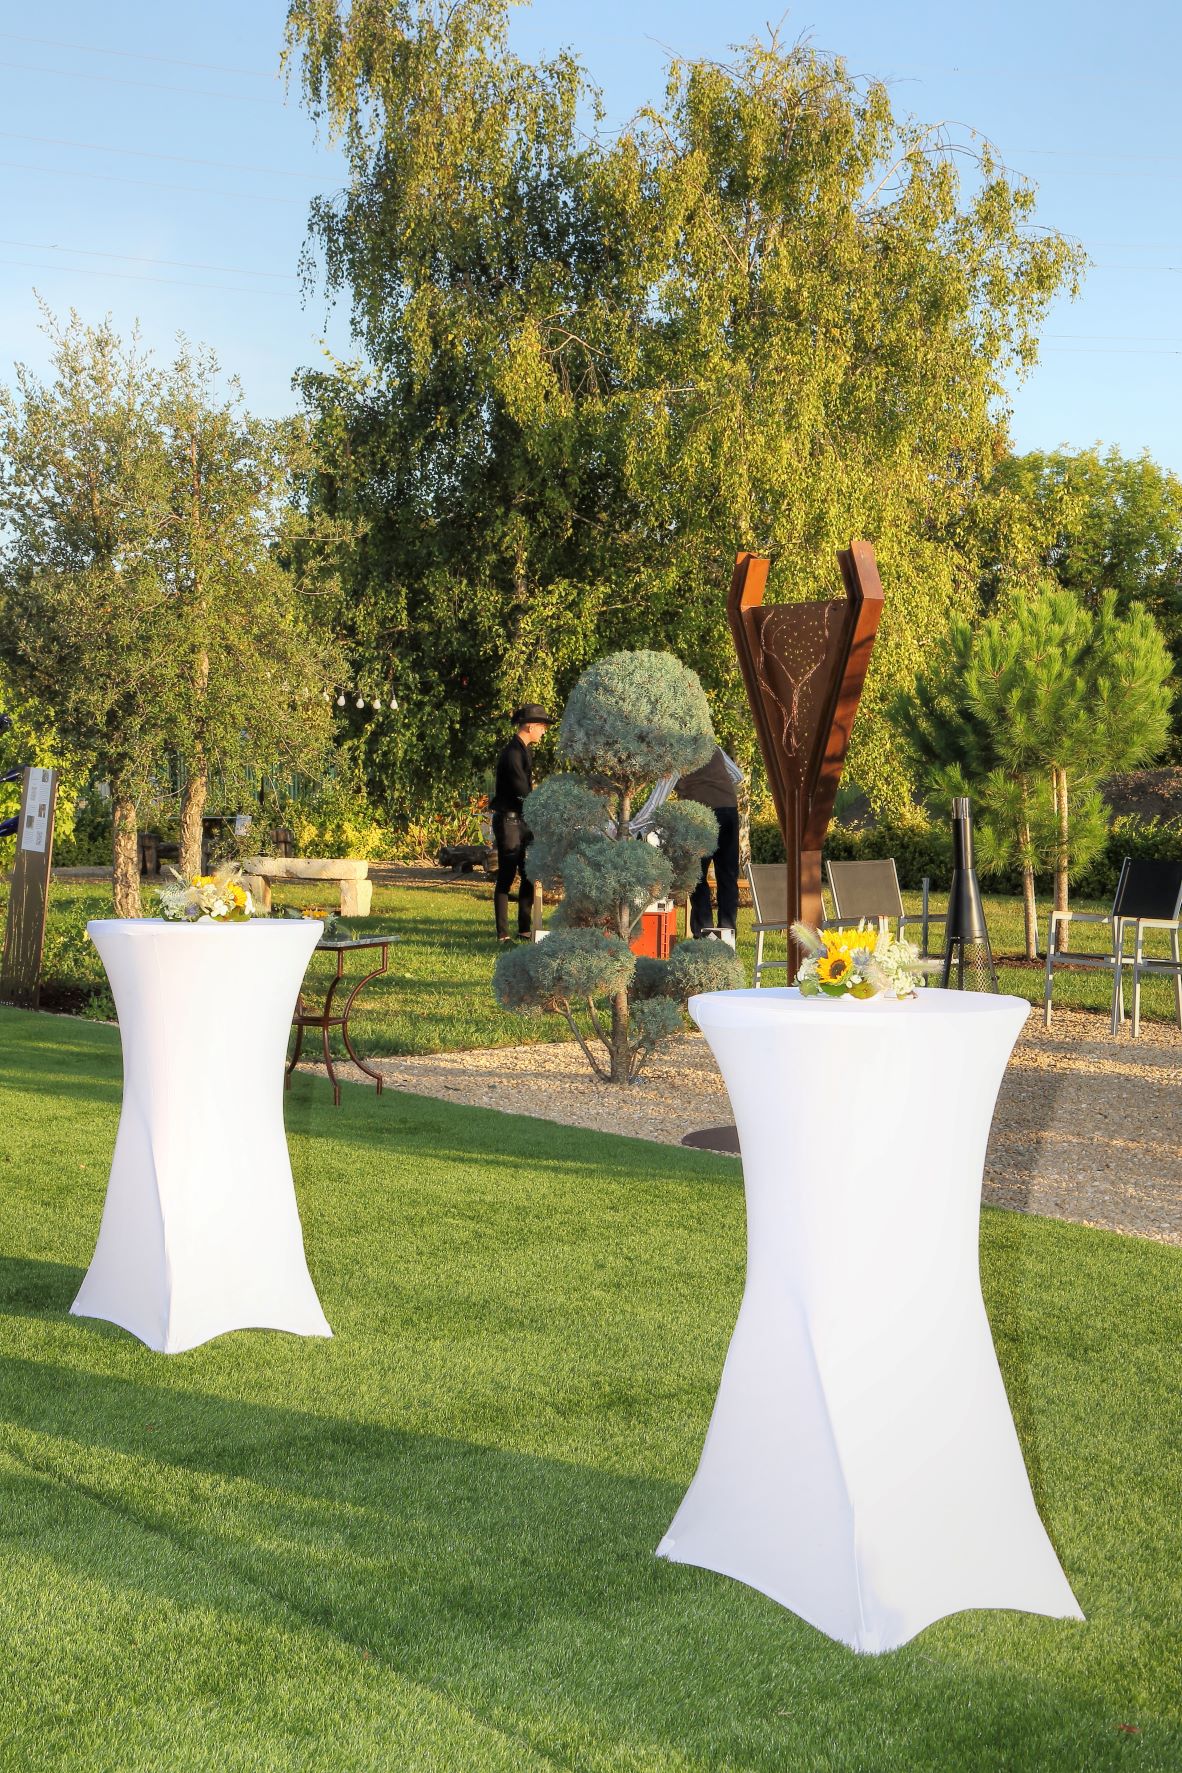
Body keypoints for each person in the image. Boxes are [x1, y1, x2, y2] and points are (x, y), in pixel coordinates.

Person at [490, 703, 553, 941]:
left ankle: (524, 929)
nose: (544, 731)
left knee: (528, 873)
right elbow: (521, 791)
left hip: (522, 821)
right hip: (509, 822)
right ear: (530, 726)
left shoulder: (524, 750)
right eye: (542, 726)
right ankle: (502, 933)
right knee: (506, 876)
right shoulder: (512, 754)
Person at [677, 745, 741, 941]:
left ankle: (705, 935)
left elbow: (660, 794)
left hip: (701, 815)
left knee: (695, 875)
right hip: (728, 810)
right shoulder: (713, 747)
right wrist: (715, 785)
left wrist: (635, 824)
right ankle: (727, 936)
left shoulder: (676, 748)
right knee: (728, 876)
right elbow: (737, 776)